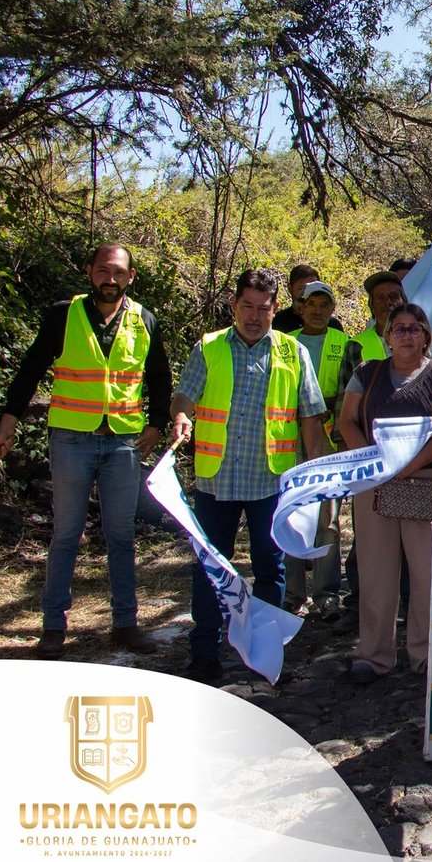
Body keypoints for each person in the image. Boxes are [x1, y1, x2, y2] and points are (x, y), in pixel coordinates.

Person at [0, 243, 173, 659]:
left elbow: (159, 377)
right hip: (72, 438)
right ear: (90, 271)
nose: (111, 280)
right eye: (104, 271)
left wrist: (156, 424)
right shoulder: (63, 314)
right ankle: (53, 628)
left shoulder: (144, 319)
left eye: (119, 273)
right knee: (66, 535)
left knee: (121, 536)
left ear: (130, 278)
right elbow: (30, 369)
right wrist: (8, 422)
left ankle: (125, 624)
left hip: (123, 442)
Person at [170, 268, 329, 683]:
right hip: (215, 480)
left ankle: (264, 654)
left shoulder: (293, 354)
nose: (254, 316)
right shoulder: (209, 348)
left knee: (270, 569)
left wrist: (318, 476)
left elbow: (310, 419)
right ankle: (204, 653)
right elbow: (184, 395)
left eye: (263, 308)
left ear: (276, 310)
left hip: (269, 483)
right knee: (209, 568)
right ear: (234, 306)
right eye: (247, 307)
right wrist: (182, 418)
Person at [336, 303, 432, 683]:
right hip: (375, 484)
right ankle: (374, 655)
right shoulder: (367, 373)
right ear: (387, 336)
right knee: (376, 572)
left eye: (414, 329)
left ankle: (426, 656)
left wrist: (407, 467)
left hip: (428, 483)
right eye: (399, 328)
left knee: (429, 575)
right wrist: (375, 463)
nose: (406, 335)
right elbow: (346, 420)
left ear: (426, 337)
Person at [284, 280, 348, 619]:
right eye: (311, 304)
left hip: (329, 444)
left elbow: (353, 391)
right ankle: (291, 593)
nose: (318, 310)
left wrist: (329, 406)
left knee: (328, 519)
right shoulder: (285, 343)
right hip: (288, 441)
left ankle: (326, 594)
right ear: (300, 307)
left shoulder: (345, 344)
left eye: (325, 304)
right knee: (291, 515)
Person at [339, 268, 432, 388]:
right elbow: (344, 399)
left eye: (393, 297)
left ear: (404, 303)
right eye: (380, 298)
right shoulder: (355, 346)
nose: (387, 302)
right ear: (371, 307)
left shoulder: (422, 337)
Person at [272, 263, 345, 334]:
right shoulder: (278, 322)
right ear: (290, 288)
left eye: (313, 287)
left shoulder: (333, 325)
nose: (306, 292)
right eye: (301, 288)